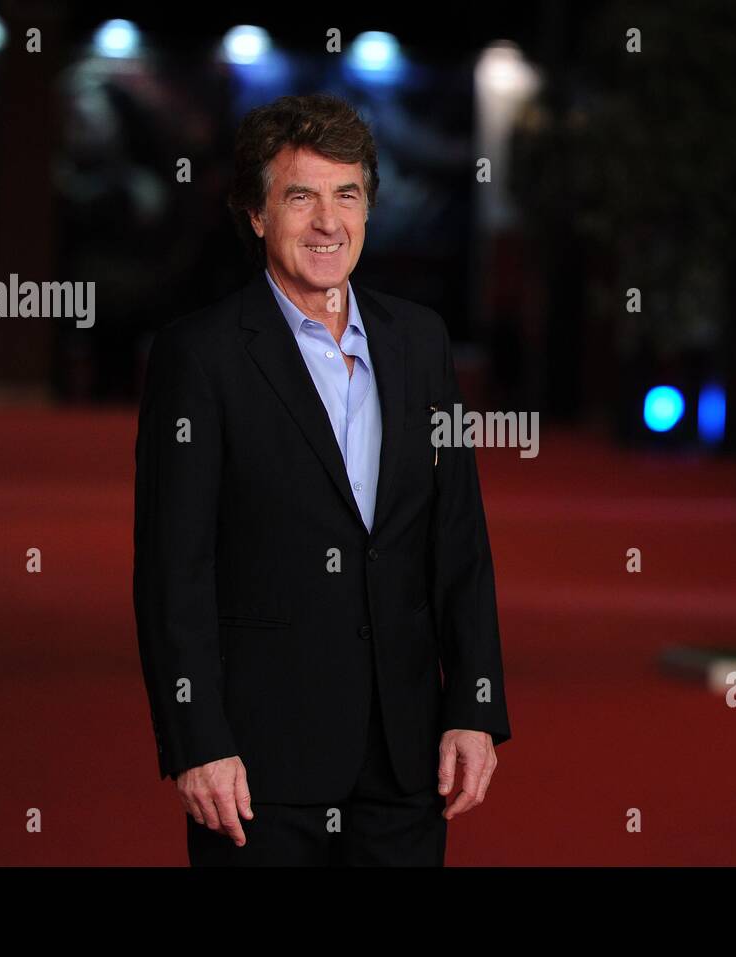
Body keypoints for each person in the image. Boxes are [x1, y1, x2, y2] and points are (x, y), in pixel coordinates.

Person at [132, 93, 512, 866]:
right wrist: (196, 739)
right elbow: (174, 569)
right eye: (300, 196)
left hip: (406, 763)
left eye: (347, 195)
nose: (328, 222)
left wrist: (473, 703)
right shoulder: (200, 357)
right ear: (256, 214)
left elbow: (459, 540)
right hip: (259, 768)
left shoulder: (421, 343)